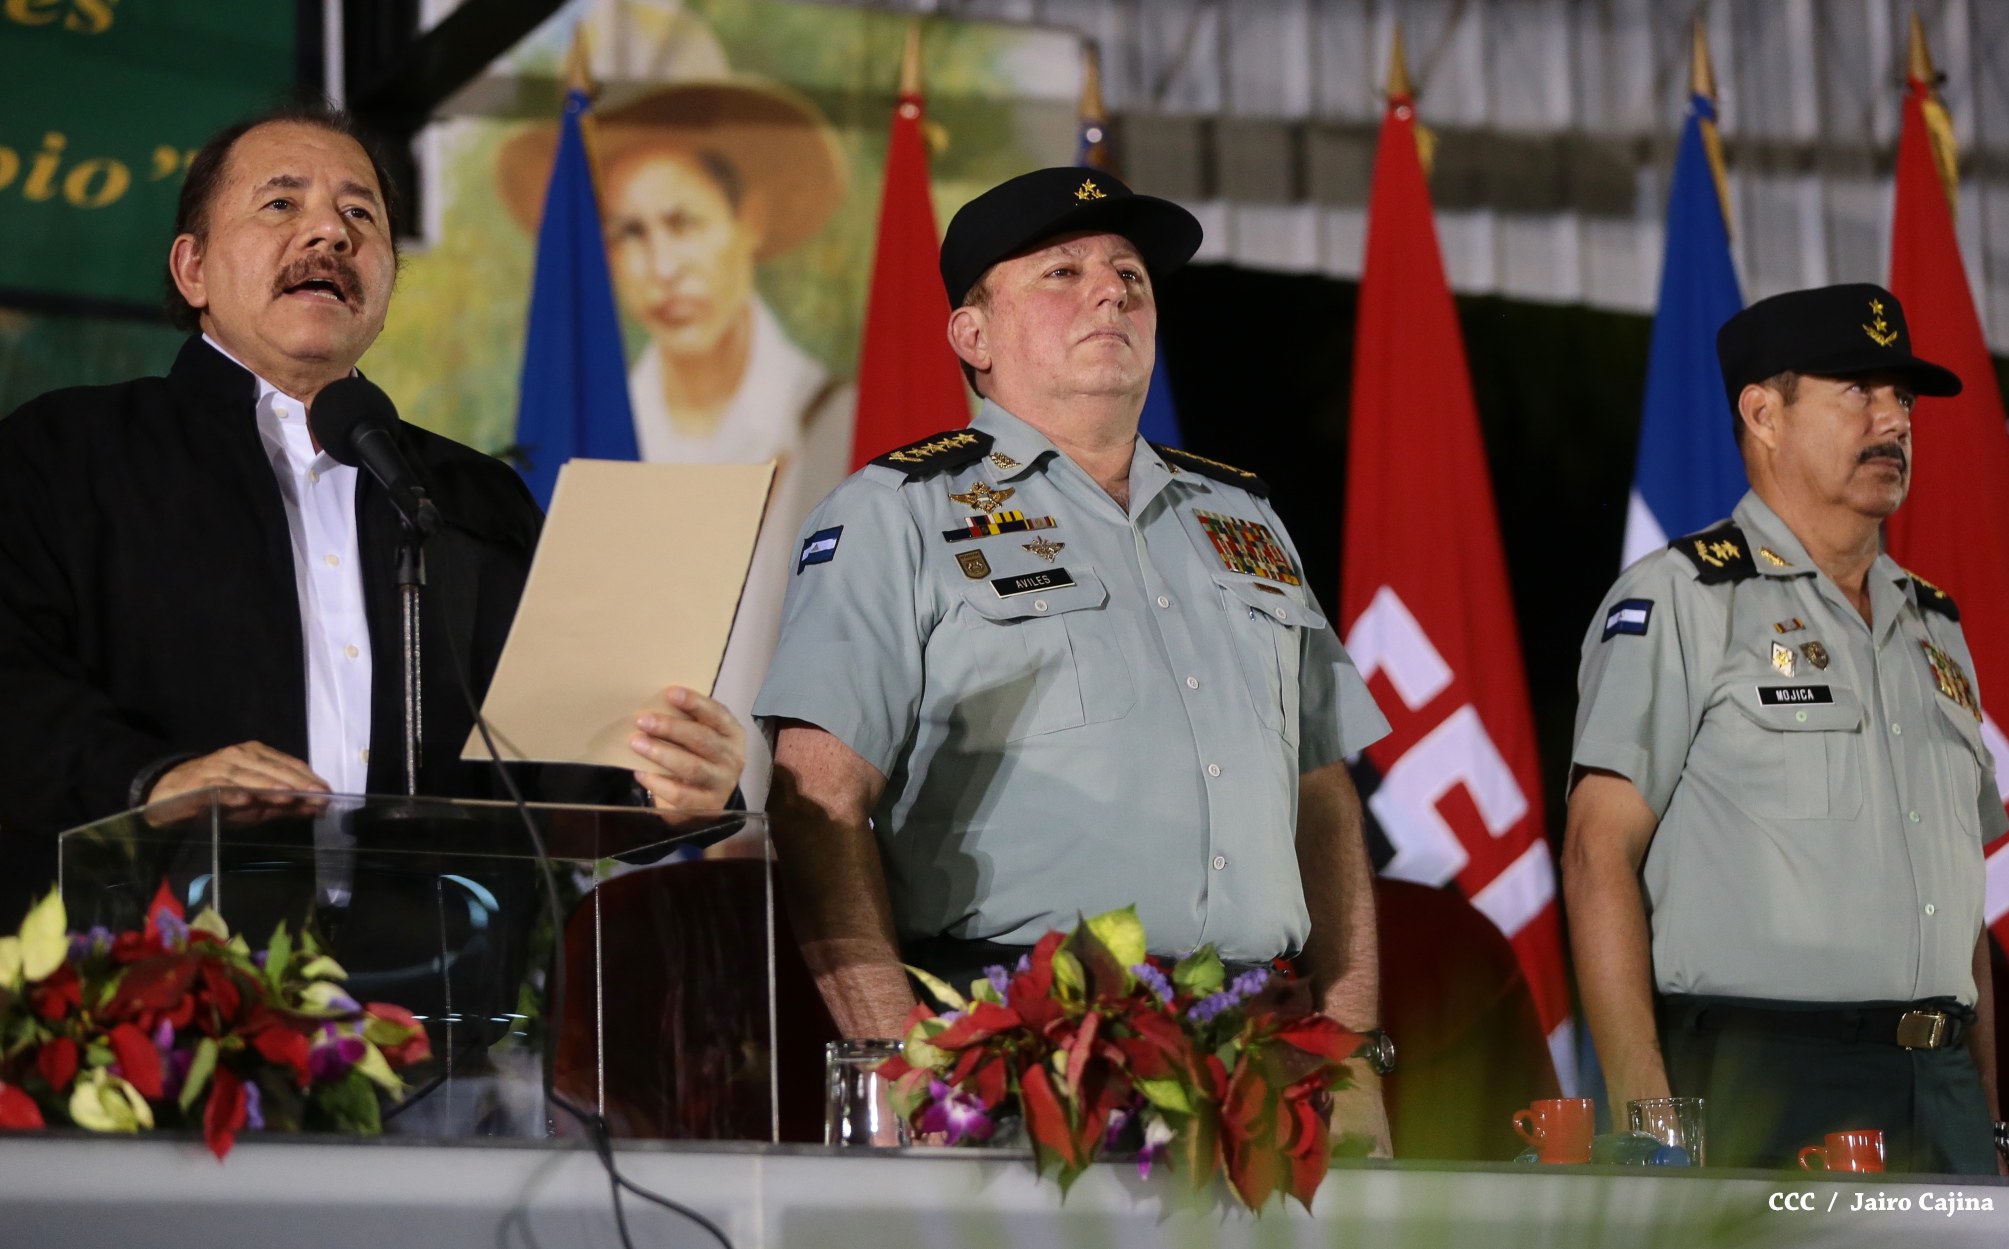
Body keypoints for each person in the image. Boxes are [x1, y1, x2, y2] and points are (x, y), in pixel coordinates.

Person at [754, 167, 1396, 1149]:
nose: (1111, 294)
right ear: (973, 337)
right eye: (1062, 272)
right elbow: (816, 804)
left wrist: (1349, 1053)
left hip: (1256, 1050)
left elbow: (1324, 798)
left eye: (1130, 277)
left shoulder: (1243, 519)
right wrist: (899, 1068)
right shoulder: (897, 514)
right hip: (1018, 1046)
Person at [0, 105, 745, 927]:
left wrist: (663, 781)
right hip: (154, 970)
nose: (331, 233)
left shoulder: (470, 495)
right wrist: (153, 781)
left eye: (360, 214)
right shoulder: (66, 453)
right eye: (281, 203)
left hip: (433, 978)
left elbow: (549, 763)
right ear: (194, 269)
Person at [1563, 283, 2009, 1173]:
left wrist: (1990, 1120)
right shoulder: (1684, 598)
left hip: (1942, 1087)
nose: (1894, 421)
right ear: (1764, 414)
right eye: (1859, 390)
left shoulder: (1934, 624)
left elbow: (1961, 902)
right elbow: (1594, 854)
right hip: (1763, 1080)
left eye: (1903, 398)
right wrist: (1652, 1122)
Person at [496, 20, 851, 812]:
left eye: (684, 222)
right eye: (628, 233)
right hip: (627, 847)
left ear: (748, 220)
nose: (661, 267)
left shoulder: (839, 424)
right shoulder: (592, 446)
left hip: (803, 846)